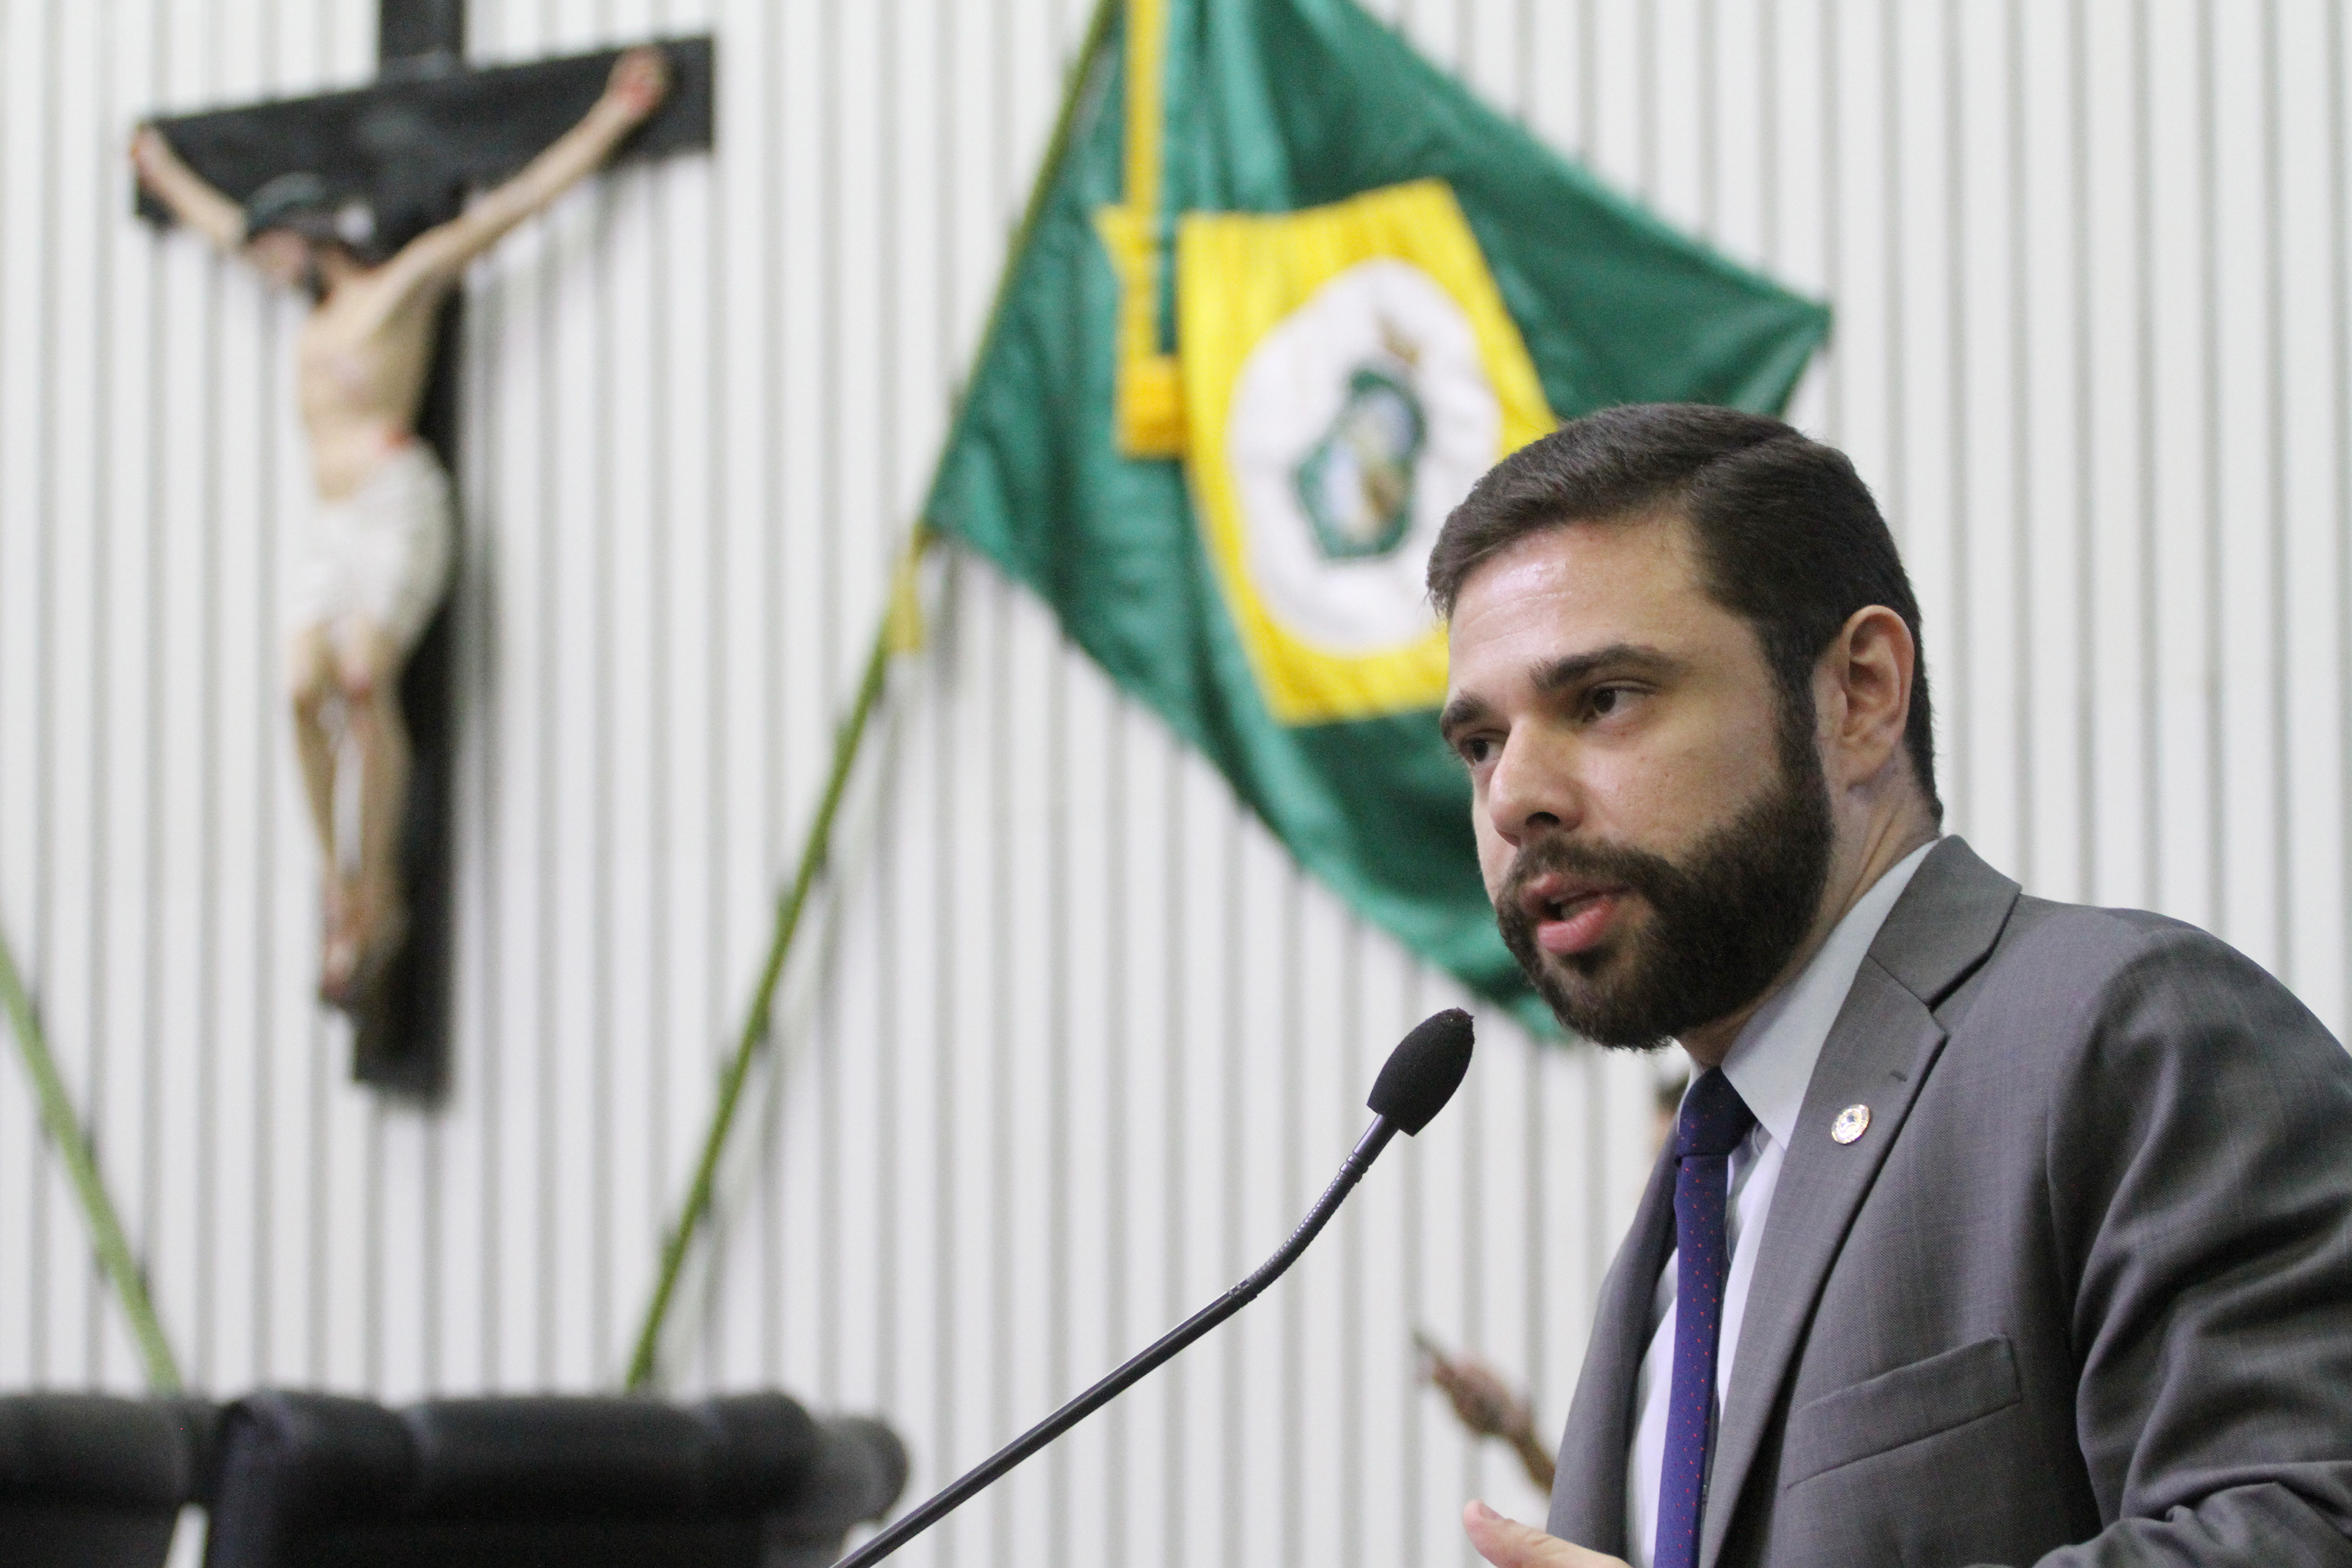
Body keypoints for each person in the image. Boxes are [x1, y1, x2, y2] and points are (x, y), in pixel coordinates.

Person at [1426, 404, 2352, 1567]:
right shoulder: (1704, 1188)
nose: (1516, 798)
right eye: (1481, 745)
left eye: (1605, 698)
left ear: (1859, 694)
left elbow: (2307, 1524)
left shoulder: (2131, 1032)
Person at [130, 47, 671, 1009]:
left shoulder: (397, 290)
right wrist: (162, 172)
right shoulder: (308, 316)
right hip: (330, 521)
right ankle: (337, 878)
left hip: (392, 504)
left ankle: (377, 878)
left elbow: (513, 209)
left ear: (314, 237)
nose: (269, 263)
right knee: (300, 690)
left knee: (360, 678)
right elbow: (223, 229)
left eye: (280, 246)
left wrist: (611, 118)